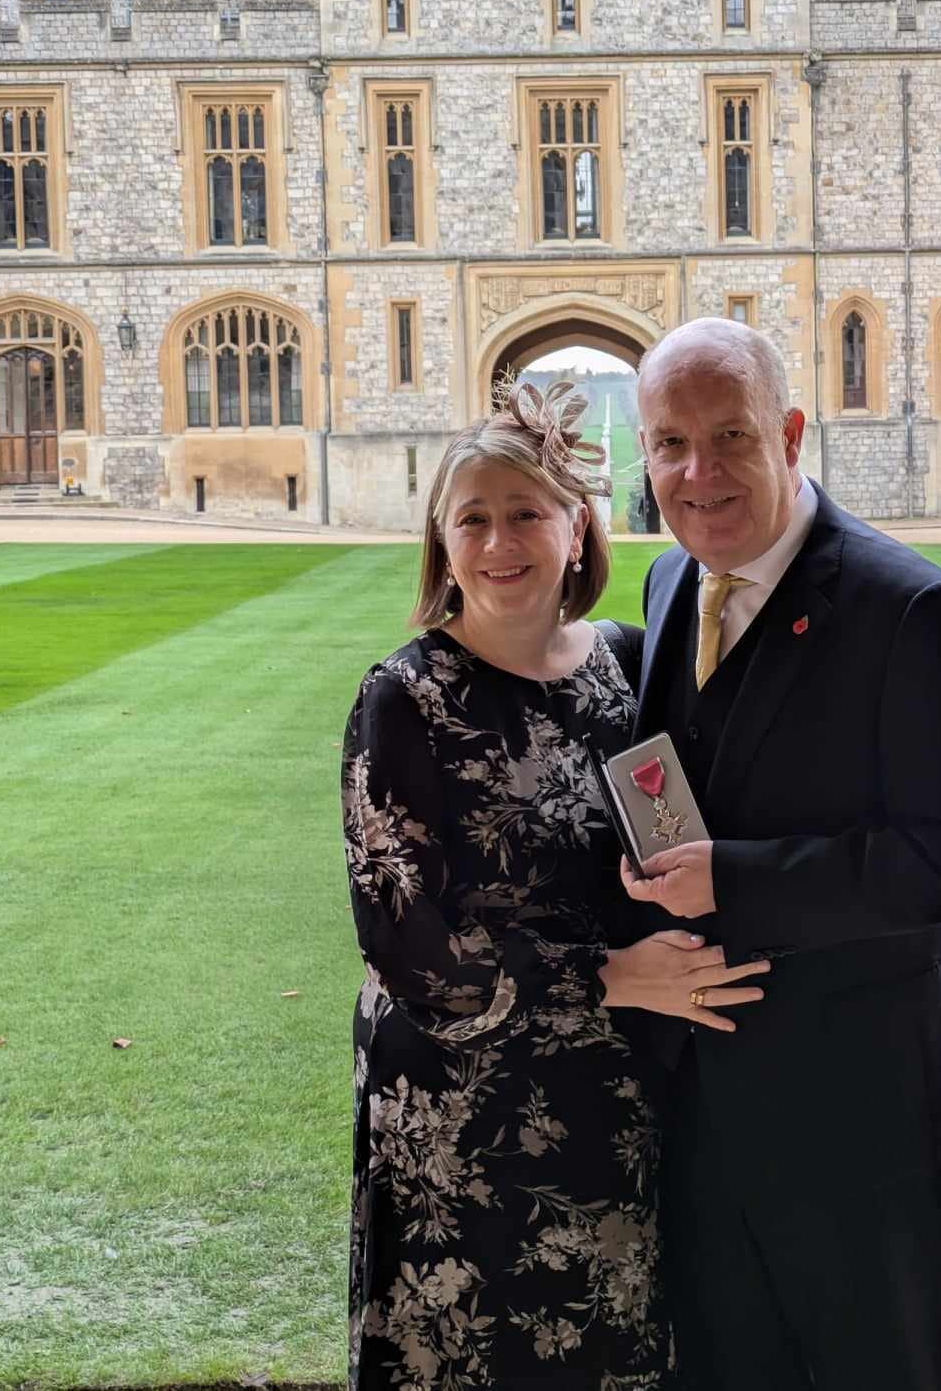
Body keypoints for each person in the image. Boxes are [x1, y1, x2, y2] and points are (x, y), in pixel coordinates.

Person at [340, 379, 770, 1391]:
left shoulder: (624, 663)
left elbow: (670, 844)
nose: (501, 542)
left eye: (526, 513)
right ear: (442, 545)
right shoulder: (405, 698)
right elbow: (404, 942)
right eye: (473, 519)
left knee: (610, 1347)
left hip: (608, 1092)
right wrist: (610, 975)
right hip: (455, 1104)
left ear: (577, 529)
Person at [622, 319, 941, 1391]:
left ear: (790, 434)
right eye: (668, 444)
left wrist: (734, 883)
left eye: (728, 438)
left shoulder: (911, 608)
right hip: (706, 1103)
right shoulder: (666, 584)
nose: (696, 472)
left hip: (862, 1114)